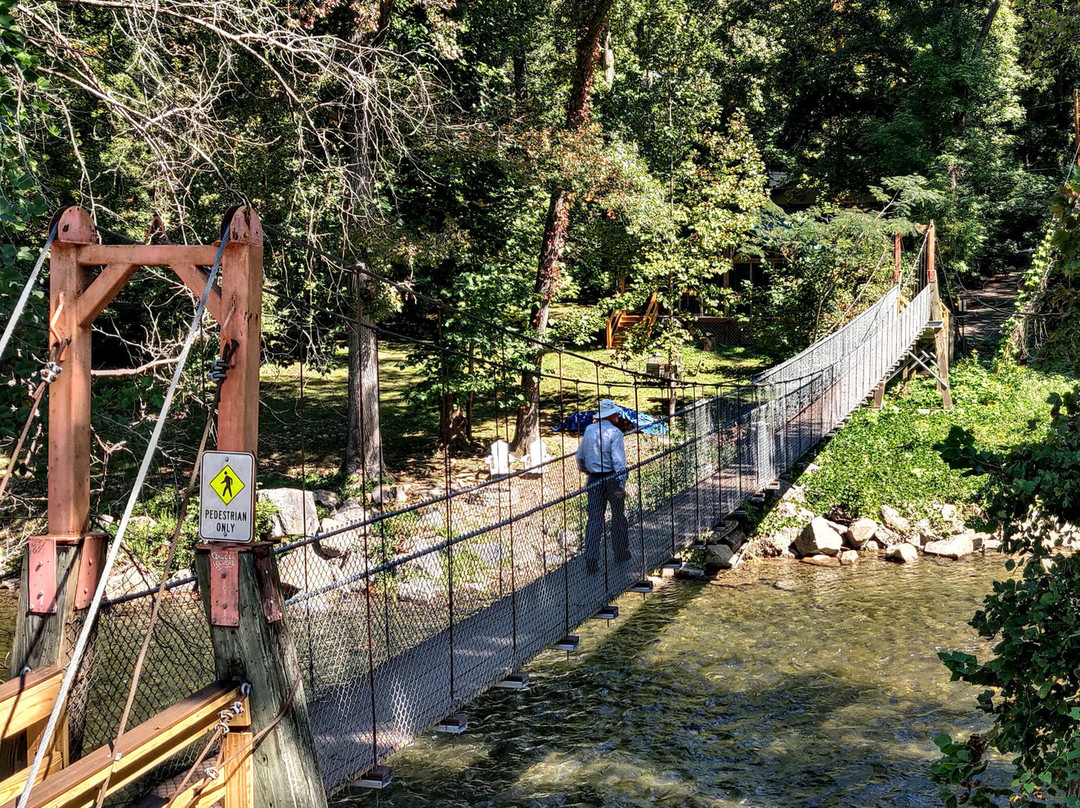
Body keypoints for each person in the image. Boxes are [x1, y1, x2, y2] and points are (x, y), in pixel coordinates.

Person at [576, 399, 631, 573]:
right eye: (616, 413)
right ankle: (621, 552)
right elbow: (618, 461)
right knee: (618, 516)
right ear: (611, 415)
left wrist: (587, 470)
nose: (618, 415)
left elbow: (580, 457)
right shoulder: (615, 433)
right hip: (612, 479)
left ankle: (591, 558)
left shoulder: (589, 430)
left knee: (594, 520)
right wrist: (621, 483)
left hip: (594, 480)